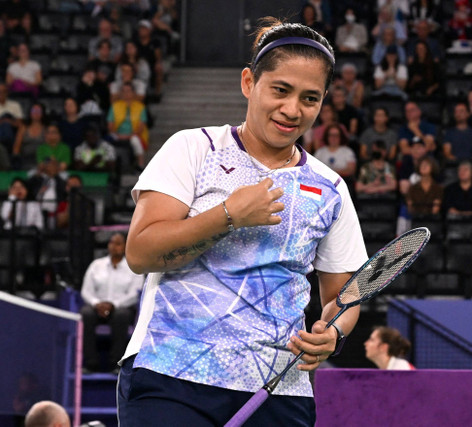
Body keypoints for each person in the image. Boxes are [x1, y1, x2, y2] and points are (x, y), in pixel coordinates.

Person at [118, 19, 367, 426]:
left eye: (310, 98)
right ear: (249, 82)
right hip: (173, 375)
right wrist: (228, 216)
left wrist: (332, 334)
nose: (292, 110)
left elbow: (342, 297)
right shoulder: (193, 149)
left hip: (277, 389)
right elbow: (141, 252)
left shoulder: (331, 188)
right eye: (280, 90)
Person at [81, 233, 144, 373]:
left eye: (118, 243)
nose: (113, 246)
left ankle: (116, 364)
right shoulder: (96, 265)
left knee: (121, 316)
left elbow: (135, 294)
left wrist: (113, 305)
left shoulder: (133, 267)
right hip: (97, 308)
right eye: (111, 242)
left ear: (125, 246)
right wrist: (97, 304)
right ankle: (90, 363)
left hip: (121, 307)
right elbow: (86, 291)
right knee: (86, 313)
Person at [107, 82, 149, 169]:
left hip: (134, 134)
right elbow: (110, 125)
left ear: (133, 93)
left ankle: (140, 164)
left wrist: (128, 136)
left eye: (128, 91)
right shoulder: (114, 106)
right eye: (124, 91)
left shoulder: (140, 107)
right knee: (107, 139)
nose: (126, 93)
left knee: (135, 140)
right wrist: (118, 135)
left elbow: (141, 127)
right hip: (117, 134)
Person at [13, 102, 46, 171]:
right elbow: (16, 147)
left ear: (42, 113)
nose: (36, 113)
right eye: (34, 111)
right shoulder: (23, 128)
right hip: (25, 161)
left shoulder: (46, 129)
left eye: (38, 111)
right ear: (30, 113)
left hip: (41, 161)